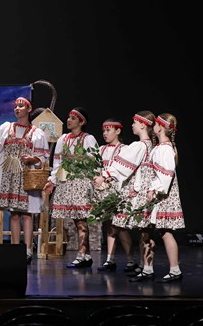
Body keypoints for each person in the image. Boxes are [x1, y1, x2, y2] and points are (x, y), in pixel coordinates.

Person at [0, 97, 49, 264]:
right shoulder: (6, 128)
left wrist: (32, 158)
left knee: (27, 214)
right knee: (14, 214)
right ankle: (16, 249)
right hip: (9, 175)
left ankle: (28, 250)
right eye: (16, 106)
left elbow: (43, 156)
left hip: (26, 175)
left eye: (21, 106)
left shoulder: (36, 133)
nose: (17, 108)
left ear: (29, 109)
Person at [94, 112, 155, 273]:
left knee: (142, 230)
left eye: (134, 122)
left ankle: (144, 266)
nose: (132, 125)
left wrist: (105, 175)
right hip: (141, 189)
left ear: (142, 125)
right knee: (141, 230)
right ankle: (143, 265)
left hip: (138, 191)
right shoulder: (148, 145)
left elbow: (124, 166)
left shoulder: (139, 146)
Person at [129, 113, 185, 283]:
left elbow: (167, 174)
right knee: (147, 230)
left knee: (165, 232)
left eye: (156, 124)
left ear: (160, 127)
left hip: (163, 196)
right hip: (156, 195)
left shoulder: (165, 149)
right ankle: (147, 269)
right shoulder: (159, 148)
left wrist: (154, 190)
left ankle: (175, 270)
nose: (153, 126)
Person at [44, 107, 98, 268]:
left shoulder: (88, 139)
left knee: (81, 220)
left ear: (81, 122)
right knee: (76, 220)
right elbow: (58, 163)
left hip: (81, 182)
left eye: (73, 118)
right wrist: (53, 181)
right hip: (67, 183)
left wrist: (94, 181)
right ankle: (86, 255)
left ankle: (81, 254)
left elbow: (95, 161)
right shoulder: (63, 139)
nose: (69, 120)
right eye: (68, 117)